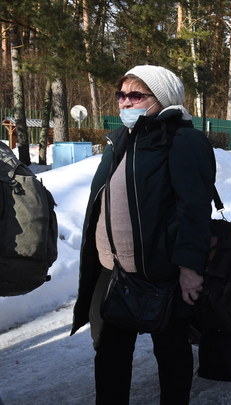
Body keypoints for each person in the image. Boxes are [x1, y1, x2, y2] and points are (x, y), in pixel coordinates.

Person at [70, 65, 215, 404]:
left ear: (161, 100)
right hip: (114, 272)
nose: (125, 102)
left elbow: (193, 209)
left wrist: (189, 269)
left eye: (136, 95)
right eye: (121, 95)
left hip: (161, 273)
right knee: (109, 356)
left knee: (171, 353)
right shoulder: (121, 139)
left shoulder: (183, 141)